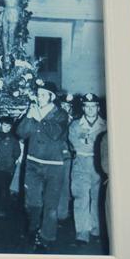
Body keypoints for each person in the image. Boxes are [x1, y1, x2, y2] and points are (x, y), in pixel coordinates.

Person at [16, 80, 69, 250]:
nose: (39, 97)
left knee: (50, 205)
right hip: (33, 163)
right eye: (38, 94)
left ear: (51, 97)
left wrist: (38, 117)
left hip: (54, 165)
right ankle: (33, 228)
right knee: (32, 202)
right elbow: (20, 133)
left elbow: (55, 133)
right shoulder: (33, 111)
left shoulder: (61, 114)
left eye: (43, 94)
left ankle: (46, 237)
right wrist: (28, 117)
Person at [68, 93, 107, 244]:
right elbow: (76, 145)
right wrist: (93, 143)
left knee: (98, 198)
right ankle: (82, 232)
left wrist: (89, 143)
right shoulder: (75, 125)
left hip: (99, 165)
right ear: (83, 108)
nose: (90, 110)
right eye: (87, 107)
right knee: (81, 197)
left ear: (98, 108)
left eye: (93, 107)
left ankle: (96, 229)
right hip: (81, 164)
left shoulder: (105, 125)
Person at [0, 117, 21, 217]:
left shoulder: (13, 139)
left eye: (9, 126)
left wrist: (11, 160)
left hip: (8, 168)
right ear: (0, 125)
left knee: (5, 189)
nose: (6, 128)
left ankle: (3, 210)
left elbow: (17, 152)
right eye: (4, 125)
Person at [57, 93, 76, 221]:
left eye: (68, 106)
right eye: (63, 105)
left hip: (68, 157)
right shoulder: (55, 119)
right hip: (54, 156)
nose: (65, 108)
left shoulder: (75, 122)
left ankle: (62, 213)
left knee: (65, 185)